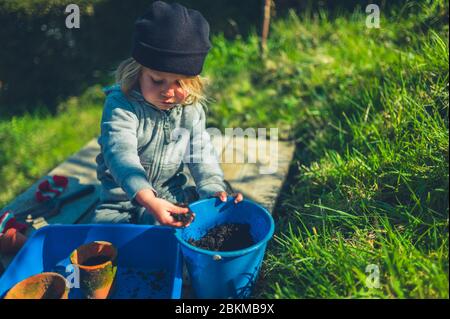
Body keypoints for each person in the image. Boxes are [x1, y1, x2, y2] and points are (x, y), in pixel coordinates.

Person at [91, 1, 243, 227]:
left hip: (171, 197)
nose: (168, 92)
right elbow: (120, 154)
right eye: (157, 80)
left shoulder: (190, 110)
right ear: (138, 70)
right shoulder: (121, 105)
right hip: (120, 203)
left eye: (180, 83)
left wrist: (213, 189)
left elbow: (200, 153)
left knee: (202, 220)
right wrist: (147, 199)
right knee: (105, 234)